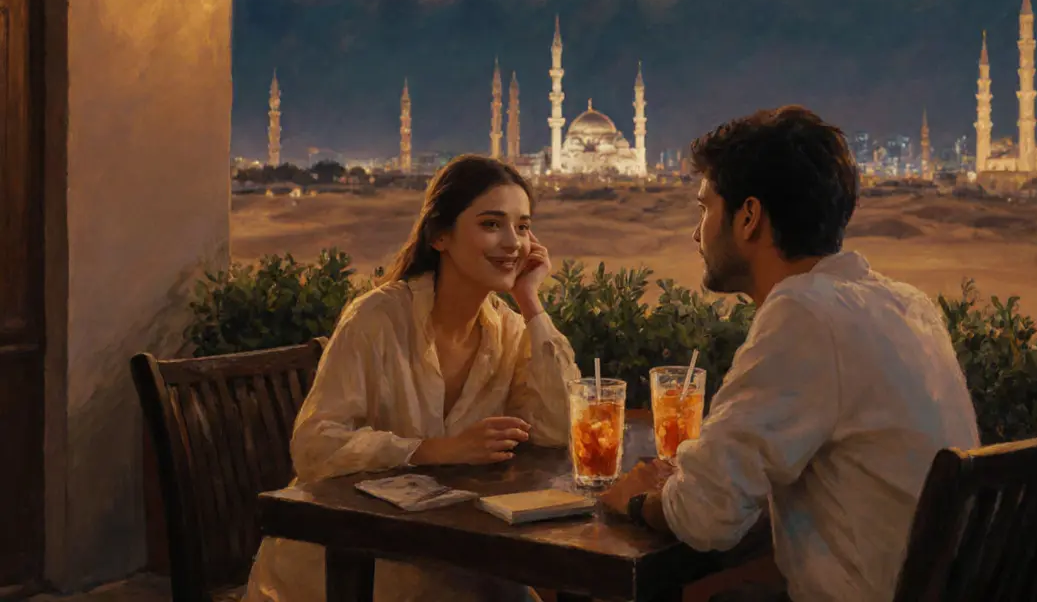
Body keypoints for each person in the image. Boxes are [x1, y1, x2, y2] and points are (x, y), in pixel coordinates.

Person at [600, 106, 981, 602]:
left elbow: (706, 518)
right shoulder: (906, 304)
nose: (696, 232)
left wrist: (638, 500)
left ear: (749, 217)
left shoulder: (805, 315)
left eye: (704, 209)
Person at [246, 155, 580, 602]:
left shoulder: (506, 331)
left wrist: (529, 300)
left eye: (523, 227)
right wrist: (434, 450)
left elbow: (559, 428)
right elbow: (315, 444)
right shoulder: (377, 319)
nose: (512, 243)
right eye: (491, 224)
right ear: (439, 235)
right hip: (348, 561)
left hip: (452, 553)